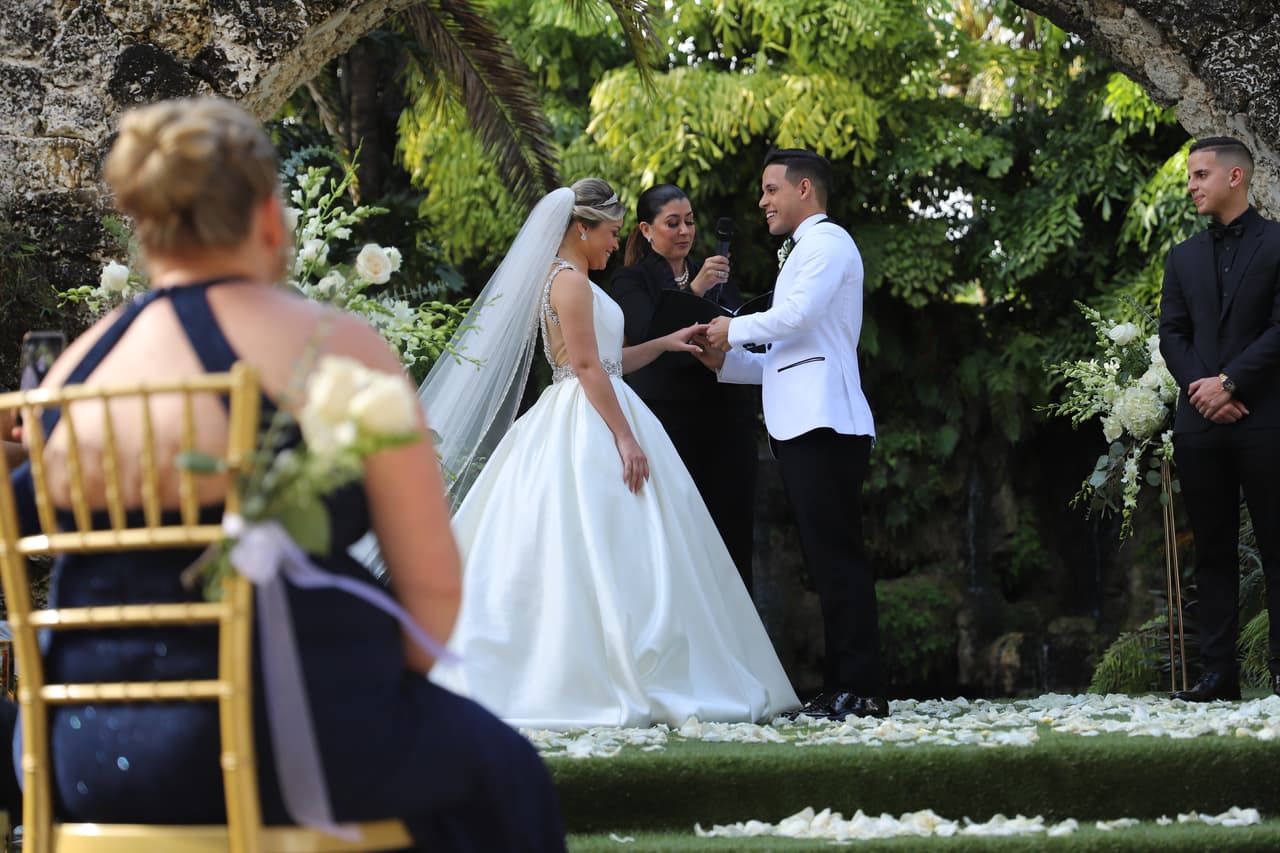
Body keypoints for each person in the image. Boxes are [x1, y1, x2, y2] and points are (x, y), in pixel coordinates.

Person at [6, 97, 564, 850]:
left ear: (144, 224)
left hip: (81, 755)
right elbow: (431, 593)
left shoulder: (76, 372)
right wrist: (362, 688)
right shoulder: (335, 345)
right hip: (294, 736)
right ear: (270, 218)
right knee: (506, 774)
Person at [420, 178, 799, 729]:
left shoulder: (574, 281)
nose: (616, 244)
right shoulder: (569, 282)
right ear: (582, 228)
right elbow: (586, 367)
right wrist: (624, 436)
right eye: (611, 233)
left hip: (603, 398)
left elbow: (614, 360)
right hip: (588, 413)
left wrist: (665, 343)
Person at [703, 148, 886, 720]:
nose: (762, 201)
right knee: (825, 560)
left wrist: (731, 328)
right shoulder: (806, 250)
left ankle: (862, 689)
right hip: (805, 425)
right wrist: (724, 362)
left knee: (838, 557)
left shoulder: (828, 243)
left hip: (826, 423)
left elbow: (798, 316)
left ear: (804, 189)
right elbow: (786, 357)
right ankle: (841, 686)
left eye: (770, 189)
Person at [1158, 135, 1280, 702]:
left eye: (1200, 174)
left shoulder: (1278, 243)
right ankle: (1217, 675)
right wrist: (1203, 391)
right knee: (1210, 550)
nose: (1191, 185)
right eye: (1190, 176)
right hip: (1200, 425)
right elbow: (1172, 334)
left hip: (1266, 418)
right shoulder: (1181, 257)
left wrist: (1230, 383)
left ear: (1236, 177)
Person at [610, 185, 761, 594]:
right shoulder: (630, 280)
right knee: (678, 535)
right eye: (673, 223)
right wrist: (693, 292)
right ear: (646, 229)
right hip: (669, 420)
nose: (684, 232)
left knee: (732, 535)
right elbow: (647, 336)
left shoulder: (714, 273)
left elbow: (739, 332)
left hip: (725, 418)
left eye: (690, 222)